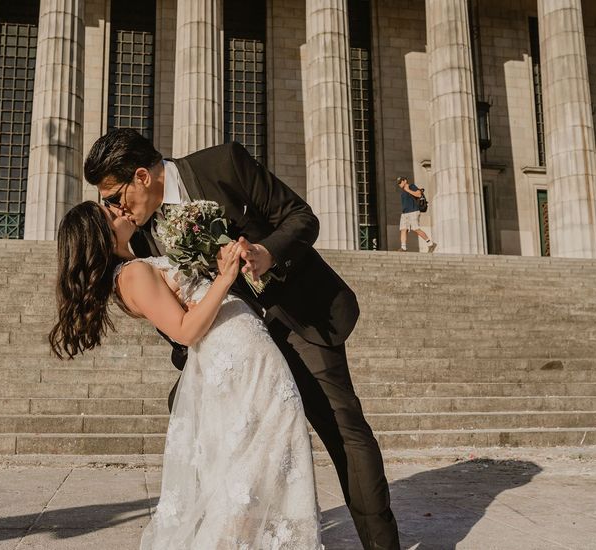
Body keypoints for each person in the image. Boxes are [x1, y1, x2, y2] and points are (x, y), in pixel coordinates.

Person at [83, 128, 401, 550]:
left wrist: (267, 252)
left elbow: (302, 217)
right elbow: (170, 312)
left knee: (344, 431)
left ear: (142, 176)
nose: (115, 208)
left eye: (115, 197)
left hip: (297, 316)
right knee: (192, 421)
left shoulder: (222, 164)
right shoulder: (137, 233)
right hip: (234, 346)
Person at [50, 202, 321, 548]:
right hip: (237, 358)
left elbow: (186, 315)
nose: (120, 210)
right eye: (110, 215)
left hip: (242, 353)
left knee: (259, 459)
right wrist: (224, 279)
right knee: (254, 463)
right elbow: (184, 331)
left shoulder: (135, 267)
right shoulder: (131, 274)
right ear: (98, 236)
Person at [396, 176, 437, 253]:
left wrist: (408, 190)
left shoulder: (412, 186)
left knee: (416, 228)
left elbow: (418, 194)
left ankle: (430, 243)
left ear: (405, 181)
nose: (400, 184)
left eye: (401, 182)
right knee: (403, 229)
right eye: (398, 183)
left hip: (413, 211)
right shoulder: (402, 191)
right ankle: (403, 247)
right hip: (405, 213)